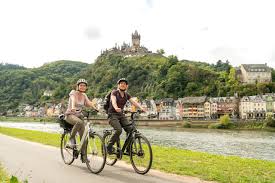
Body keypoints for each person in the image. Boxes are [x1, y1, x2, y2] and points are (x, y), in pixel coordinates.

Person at [106, 78, 145, 154]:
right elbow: (113, 101)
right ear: (118, 85)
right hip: (112, 115)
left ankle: (128, 149)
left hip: (121, 115)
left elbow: (133, 102)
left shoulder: (127, 95)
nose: (123, 85)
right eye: (121, 83)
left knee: (131, 130)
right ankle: (109, 146)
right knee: (118, 130)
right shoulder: (114, 92)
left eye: (124, 84)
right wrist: (116, 107)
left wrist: (141, 108)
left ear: (127, 86)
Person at [65, 78, 98, 162]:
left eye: (84, 86)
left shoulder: (84, 95)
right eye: (81, 85)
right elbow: (72, 100)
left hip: (79, 115)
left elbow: (89, 103)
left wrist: (95, 108)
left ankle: (84, 157)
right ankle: (70, 140)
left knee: (84, 137)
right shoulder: (73, 92)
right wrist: (72, 107)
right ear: (78, 86)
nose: (83, 87)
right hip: (70, 115)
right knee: (79, 122)